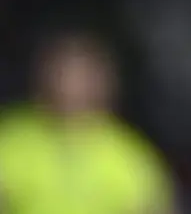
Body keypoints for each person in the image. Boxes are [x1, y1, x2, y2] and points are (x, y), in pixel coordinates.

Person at [0, 30, 177, 214]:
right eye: (62, 73)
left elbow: (154, 206)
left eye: (81, 76)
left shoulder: (131, 157)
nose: (70, 86)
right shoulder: (9, 140)